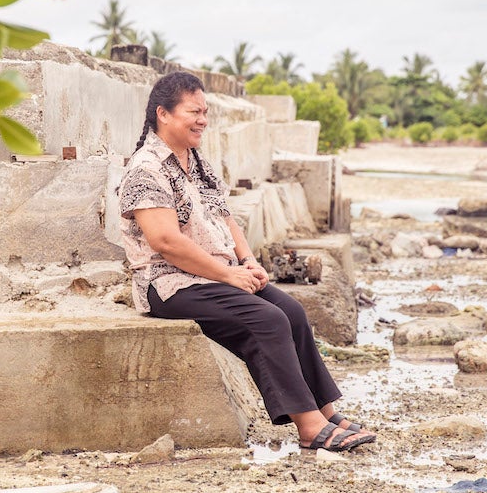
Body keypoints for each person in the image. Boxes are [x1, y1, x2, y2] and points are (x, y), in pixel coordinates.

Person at [117, 71, 375, 452]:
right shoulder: (145, 168)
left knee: (290, 310)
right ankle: (308, 427)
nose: (203, 119)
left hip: (215, 276)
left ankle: (325, 410)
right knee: (267, 320)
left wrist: (248, 261)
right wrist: (228, 275)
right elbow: (165, 241)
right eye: (194, 111)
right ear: (163, 114)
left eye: (205, 111)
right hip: (170, 284)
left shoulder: (196, 162)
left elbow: (225, 218)